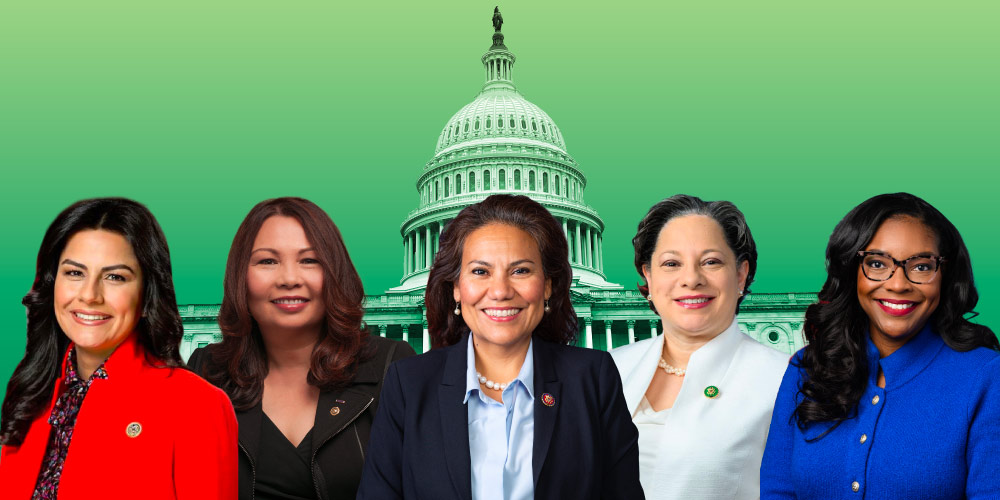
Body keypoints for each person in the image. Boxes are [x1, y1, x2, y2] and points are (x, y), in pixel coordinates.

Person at [357, 194, 643, 500]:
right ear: (456, 287)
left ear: (547, 284)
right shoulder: (409, 384)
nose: (500, 291)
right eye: (480, 271)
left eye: (521, 270)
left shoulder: (593, 379)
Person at [760, 192, 1000, 499]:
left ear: (946, 275)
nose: (898, 284)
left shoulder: (985, 377)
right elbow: (777, 491)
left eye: (922, 266)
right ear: (852, 271)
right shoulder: (807, 367)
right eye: (876, 263)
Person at [0, 197, 238, 498]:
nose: (89, 295)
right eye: (74, 273)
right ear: (52, 285)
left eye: (115, 277)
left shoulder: (196, 406)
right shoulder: (30, 396)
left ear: (146, 295)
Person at [187, 197, 414, 500]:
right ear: (240, 275)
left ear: (334, 272)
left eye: (310, 260)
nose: (289, 279)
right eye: (267, 261)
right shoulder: (206, 371)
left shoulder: (391, 366)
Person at [610, 194, 788, 499]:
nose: (691, 279)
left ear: (741, 274)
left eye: (711, 262)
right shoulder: (608, 368)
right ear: (648, 277)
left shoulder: (786, 378)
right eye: (671, 263)